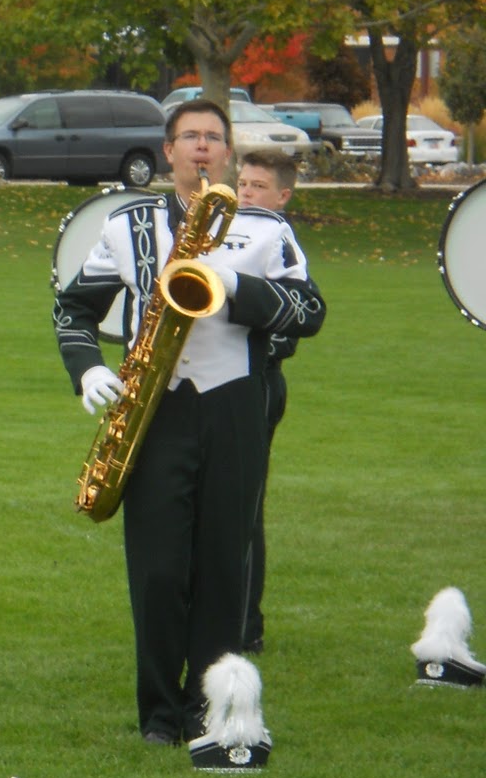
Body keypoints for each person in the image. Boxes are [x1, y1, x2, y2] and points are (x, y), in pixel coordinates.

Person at [54, 100, 325, 745]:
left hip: (234, 404)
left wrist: (233, 282)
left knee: (224, 563)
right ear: (169, 151)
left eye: (213, 137)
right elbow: (73, 309)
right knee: (157, 568)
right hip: (154, 407)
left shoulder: (265, 229)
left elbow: (309, 311)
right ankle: (159, 713)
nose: (201, 147)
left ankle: (213, 703)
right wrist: (89, 368)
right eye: (189, 138)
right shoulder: (127, 224)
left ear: (227, 153)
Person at [235, 149, 299, 654]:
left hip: (257, 383)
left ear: (283, 196)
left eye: (258, 185)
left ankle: (246, 625)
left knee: (244, 506)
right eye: (243, 183)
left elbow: (292, 325)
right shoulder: (224, 231)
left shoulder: (279, 242)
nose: (246, 192)